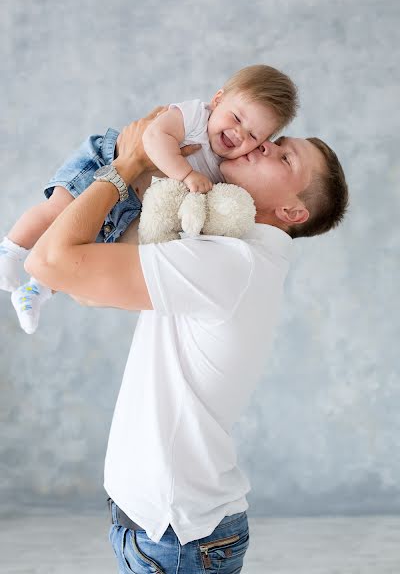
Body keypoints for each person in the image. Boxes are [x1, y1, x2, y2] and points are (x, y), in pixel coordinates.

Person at [24, 107, 348, 574]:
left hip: (175, 541)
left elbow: (47, 264)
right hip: (172, 535)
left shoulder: (231, 262)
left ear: (293, 211)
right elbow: (89, 292)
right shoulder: (229, 253)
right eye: (278, 141)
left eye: (284, 157)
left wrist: (127, 165)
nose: (263, 143)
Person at [0, 64, 297, 335]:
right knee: (58, 212)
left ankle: (35, 291)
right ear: (217, 100)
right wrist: (184, 175)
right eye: (236, 117)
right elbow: (154, 137)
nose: (237, 133)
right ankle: (10, 250)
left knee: (84, 245)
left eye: (253, 136)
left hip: (128, 199)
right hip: (106, 161)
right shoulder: (195, 116)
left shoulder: (226, 168)